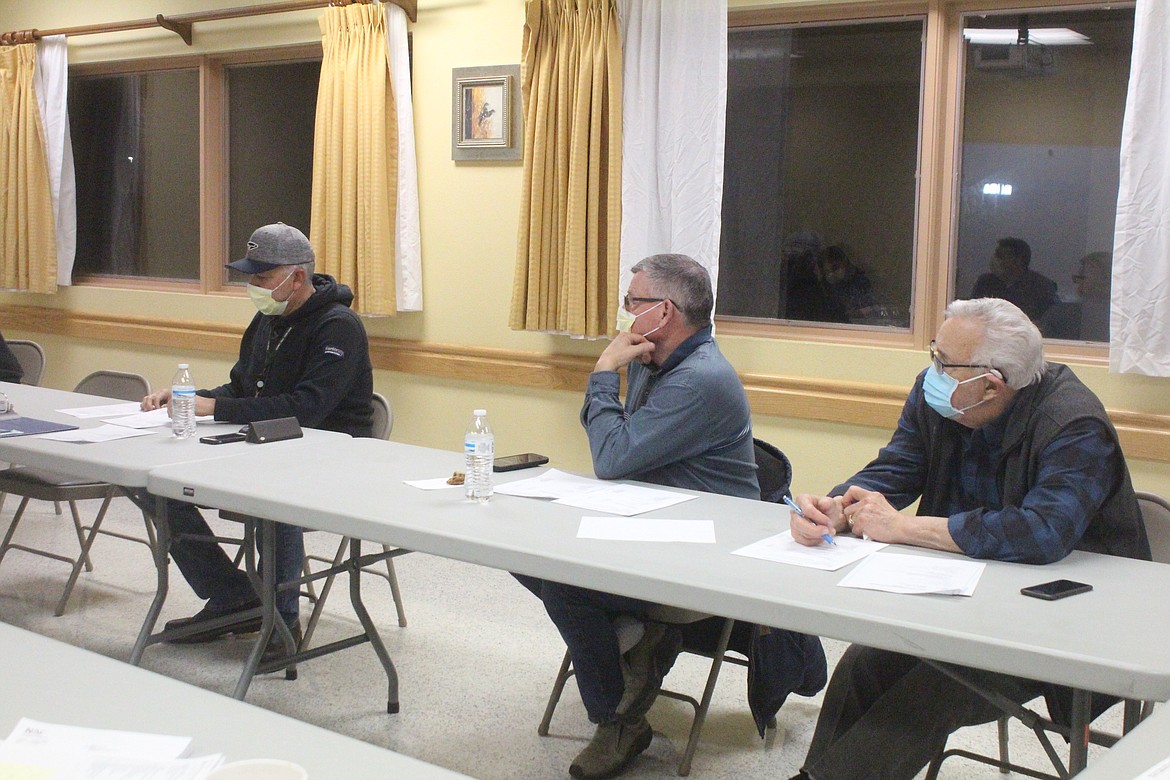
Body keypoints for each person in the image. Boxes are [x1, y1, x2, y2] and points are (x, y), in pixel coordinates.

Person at [786, 297, 1150, 780]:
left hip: (1061, 619)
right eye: (933, 354)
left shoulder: (1073, 423)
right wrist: (839, 508)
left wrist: (903, 527)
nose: (931, 371)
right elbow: (899, 465)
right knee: (863, 663)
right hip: (960, 593)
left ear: (991, 385)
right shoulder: (944, 394)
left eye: (943, 362)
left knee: (930, 688)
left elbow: (1042, 532)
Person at [517, 254, 760, 779]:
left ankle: (619, 719)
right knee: (520, 545)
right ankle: (632, 636)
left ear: (664, 311)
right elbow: (621, 449)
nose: (627, 313)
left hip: (703, 552)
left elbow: (612, 459)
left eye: (634, 302)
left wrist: (604, 372)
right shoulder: (658, 361)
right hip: (652, 524)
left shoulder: (700, 378)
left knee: (566, 584)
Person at [135, 222, 373, 655]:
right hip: (266, 444)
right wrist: (195, 397)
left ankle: (282, 623)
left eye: (261, 278)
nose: (253, 287)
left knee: (272, 497)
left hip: (332, 457)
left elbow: (306, 410)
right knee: (147, 480)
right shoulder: (268, 319)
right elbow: (243, 388)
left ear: (295, 277)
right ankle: (232, 595)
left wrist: (217, 409)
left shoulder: (339, 327)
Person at [970, 237, 1057, 324]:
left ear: (1017, 261)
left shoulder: (1042, 286)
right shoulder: (985, 282)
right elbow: (972, 314)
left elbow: (1048, 322)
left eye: (1000, 256)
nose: (994, 259)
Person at [1040, 251, 1112, 342]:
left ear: (1103, 281)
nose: (1077, 282)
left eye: (1082, 277)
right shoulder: (1124, 318)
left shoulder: (1062, 314)